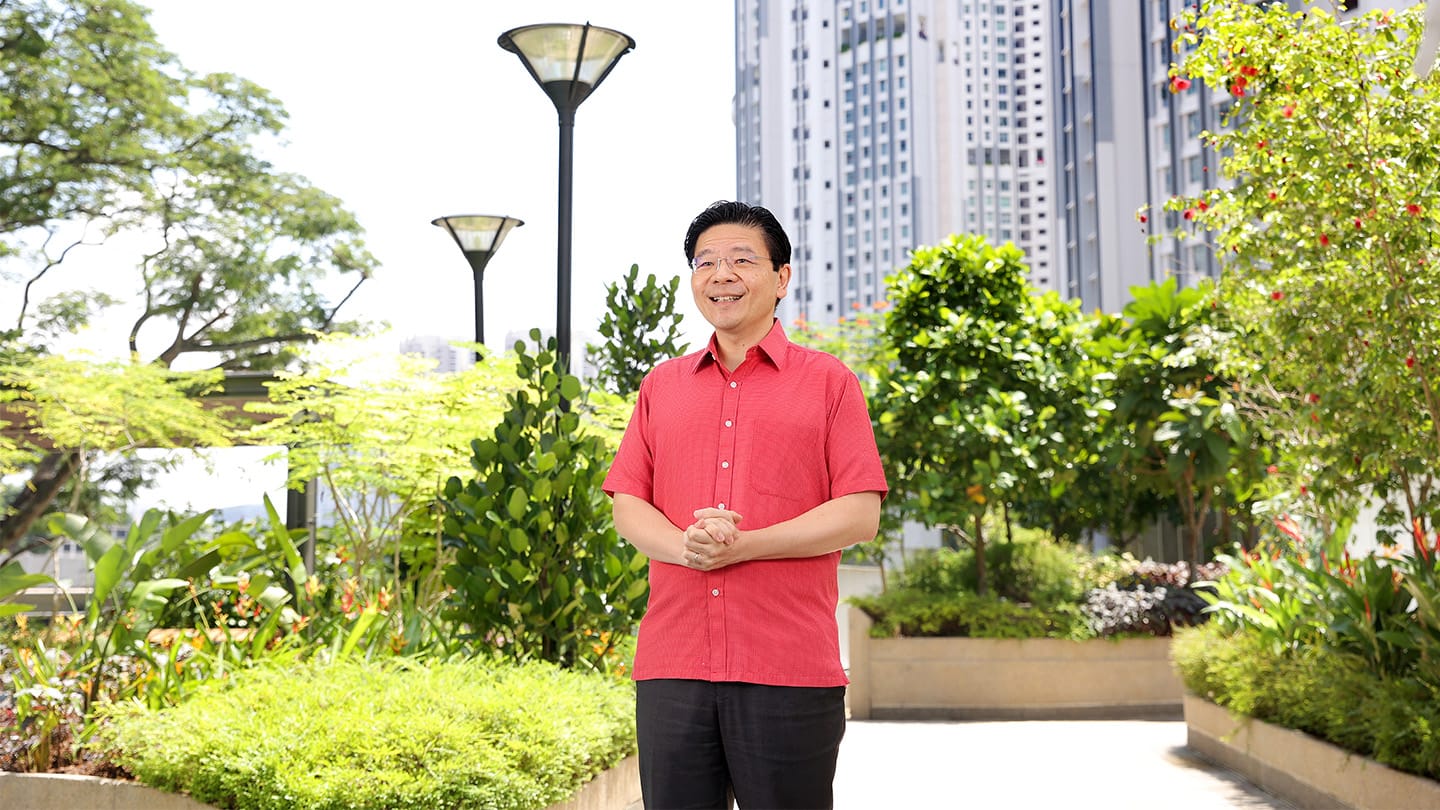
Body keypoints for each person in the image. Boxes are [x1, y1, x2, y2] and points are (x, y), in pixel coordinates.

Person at [603, 200, 888, 809]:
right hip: (673, 664)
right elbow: (628, 502)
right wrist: (687, 546)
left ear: (782, 278)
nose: (720, 275)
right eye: (704, 262)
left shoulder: (830, 382)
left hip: (787, 667)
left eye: (741, 260)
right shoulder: (662, 385)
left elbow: (859, 512)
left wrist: (746, 546)